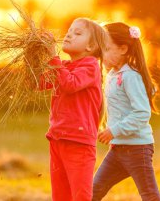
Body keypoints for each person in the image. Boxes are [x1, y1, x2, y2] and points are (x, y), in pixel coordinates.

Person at [93, 22, 160, 201]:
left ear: (123, 48)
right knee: (93, 192)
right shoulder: (112, 75)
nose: (102, 54)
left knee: (150, 196)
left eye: (107, 49)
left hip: (138, 149)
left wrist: (114, 130)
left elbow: (142, 113)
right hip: (117, 150)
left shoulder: (130, 76)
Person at [40, 18, 106, 201]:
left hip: (79, 143)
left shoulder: (90, 66)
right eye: (69, 31)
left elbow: (69, 83)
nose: (69, 34)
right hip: (57, 139)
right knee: (60, 197)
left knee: (80, 197)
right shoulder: (64, 67)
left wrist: (53, 55)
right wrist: (34, 54)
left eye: (77, 33)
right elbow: (36, 83)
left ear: (90, 47)